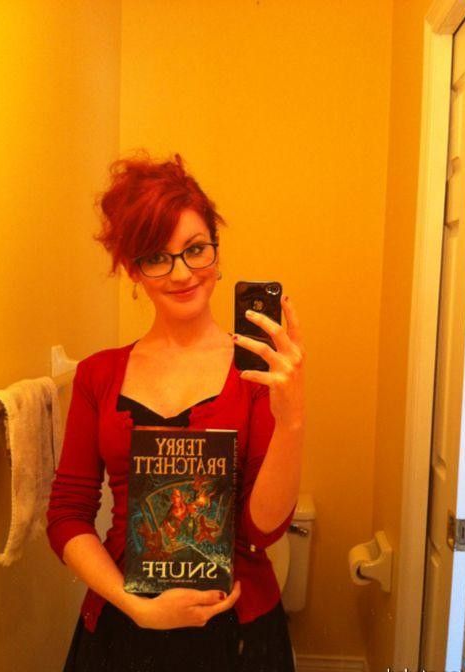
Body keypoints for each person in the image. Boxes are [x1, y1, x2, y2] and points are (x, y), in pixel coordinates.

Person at [46, 151, 306, 672]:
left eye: (195, 249)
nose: (182, 272)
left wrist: (292, 420)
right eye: (156, 257)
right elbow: (67, 514)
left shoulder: (255, 371)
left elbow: (263, 531)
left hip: (239, 629)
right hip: (123, 620)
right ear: (132, 270)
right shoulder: (98, 376)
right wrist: (135, 604)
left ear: (217, 253)